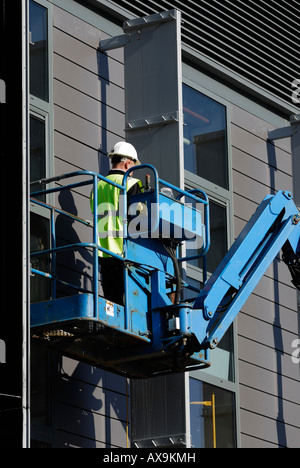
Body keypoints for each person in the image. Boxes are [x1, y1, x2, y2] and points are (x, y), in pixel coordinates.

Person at [90, 141, 143, 305]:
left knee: (112, 302)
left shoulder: (97, 186)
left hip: (104, 252)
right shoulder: (131, 183)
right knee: (134, 302)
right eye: (133, 166)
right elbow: (139, 219)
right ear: (128, 163)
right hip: (125, 251)